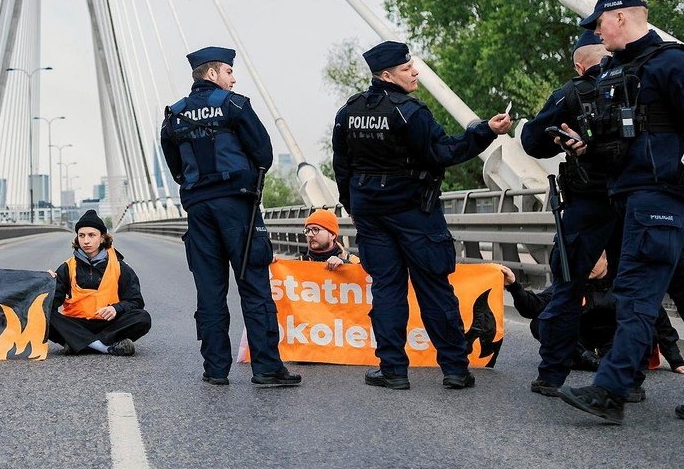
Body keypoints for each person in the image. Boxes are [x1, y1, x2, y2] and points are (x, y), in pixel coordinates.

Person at [555, 0, 684, 423]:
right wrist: (584, 150)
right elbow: (619, 144)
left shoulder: (673, 64)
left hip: (659, 198)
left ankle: (610, 391)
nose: (596, 31)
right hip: (631, 199)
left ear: (623, 19)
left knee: (634, 292)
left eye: (599, 23)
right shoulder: (617, 70)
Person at [332, 40, 512, 391]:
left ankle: (393, 370)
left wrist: (354, 207)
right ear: (387, 75)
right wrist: (486, 131)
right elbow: (443, 151)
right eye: (406, 69)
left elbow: (342, 167)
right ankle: (455, 370)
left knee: (386, 290)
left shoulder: (348, 112)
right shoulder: (410, 112)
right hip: (414, 211)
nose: (415, 72)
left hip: (371, 214)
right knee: (434, 288)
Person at [160, 46, 302, 388]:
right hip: (238, 209)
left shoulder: (174, 115)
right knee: (253, 286)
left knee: (209, 291)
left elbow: (175, 167)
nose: (233, 78)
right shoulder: (235, 105)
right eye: (228, 72)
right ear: (212, 74)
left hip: (199, 209)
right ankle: (267, 368)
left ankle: (215, 369)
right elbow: (264, 153)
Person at [519, 29, 625, 396]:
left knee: (567, 286)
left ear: (581, 66)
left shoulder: (572, 92)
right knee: (635, 288)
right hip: (636, 200)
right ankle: (630, 379)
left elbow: (531, 141)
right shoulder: (638, 80)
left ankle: (551, 376)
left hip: (588, 202)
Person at [498, 262, 684, 379]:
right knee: (542, 322)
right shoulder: (571, 283)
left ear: (607, 258)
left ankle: (609, 363)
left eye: (594, 257)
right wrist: (515, 286)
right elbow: (535, 307)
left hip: (616, 342)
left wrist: (677, 360)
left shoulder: (625, 282)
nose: (588, 261)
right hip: (583, 345)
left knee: (645, 328)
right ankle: (588, 360)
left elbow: (657, 317)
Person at [47, 210, 151, 356]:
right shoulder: (67, 267)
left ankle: (78, 343)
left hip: (109, 325)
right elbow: (51, 304)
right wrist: (46, 285)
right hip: (76, 324)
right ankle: (104, 347)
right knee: (44, 315)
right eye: (81, 235)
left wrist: (116, 308)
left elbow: (136, 301)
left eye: (91, 235)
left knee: (143, 318)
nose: (86, 241)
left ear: (102, 238)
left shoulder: (120, 267)